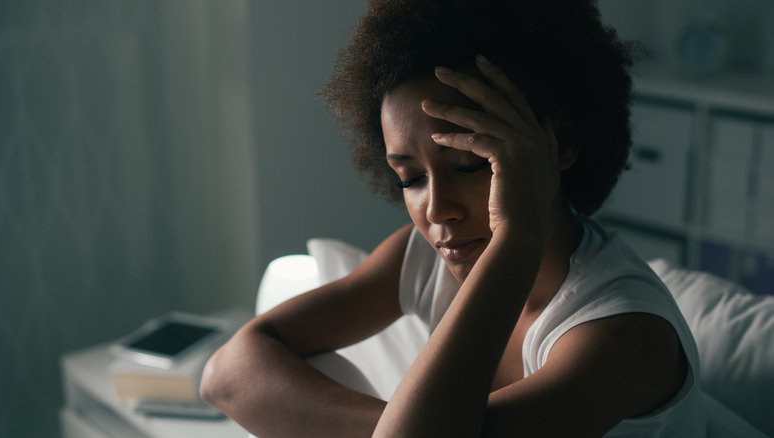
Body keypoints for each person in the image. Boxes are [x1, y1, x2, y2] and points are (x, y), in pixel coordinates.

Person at [200, 0, 707, 436]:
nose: (437, 209)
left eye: (469, 165)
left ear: (563, 145)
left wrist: (518, 236)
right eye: (410, 178)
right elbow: (224, 373)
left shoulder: (623, 336)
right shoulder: (422, 260)